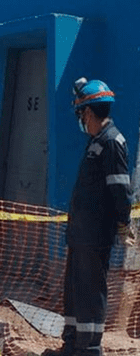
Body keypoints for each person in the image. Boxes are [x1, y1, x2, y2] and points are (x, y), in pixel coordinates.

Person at [42, 78, 135, 356]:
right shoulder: (97, 141)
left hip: (95, 236)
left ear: (90, 113)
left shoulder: (112, 142)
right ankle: (72, 344)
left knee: (91, 292)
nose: (81, 119)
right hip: (81, 235)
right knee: (75, 291)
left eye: (82, 113)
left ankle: (89, 348)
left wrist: (123, 222)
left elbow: (120, 189)